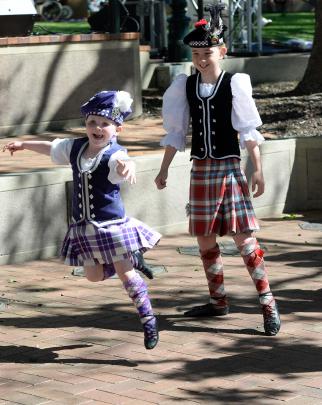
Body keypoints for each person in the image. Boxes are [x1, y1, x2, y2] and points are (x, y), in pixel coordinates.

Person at [154, 4, 281, 336]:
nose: (201, 58)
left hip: (227, 168)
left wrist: (258, 169)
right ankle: (218, 301)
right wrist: (164, 168)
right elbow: (176, 134)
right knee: (204, 238)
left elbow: (249, 132)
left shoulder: (235, 84)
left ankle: (268, 303)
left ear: (221, 51)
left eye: (207, 51)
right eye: (196, 53)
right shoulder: (185, 87)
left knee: (244, 238)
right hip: (201, 168)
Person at [3, 90, 161, 349]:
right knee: (93, 276)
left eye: (105, 124)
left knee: (126, 275)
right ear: (86, 125)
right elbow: (51, 147)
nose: (97, 128)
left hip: (110, 226)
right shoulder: (76, 148)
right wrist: (23, 144)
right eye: (92, 122)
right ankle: (131, 256)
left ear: (117, 128)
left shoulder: (115, 154)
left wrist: (128, 167)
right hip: (84, 228)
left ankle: (148, 320)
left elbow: (125, 162)